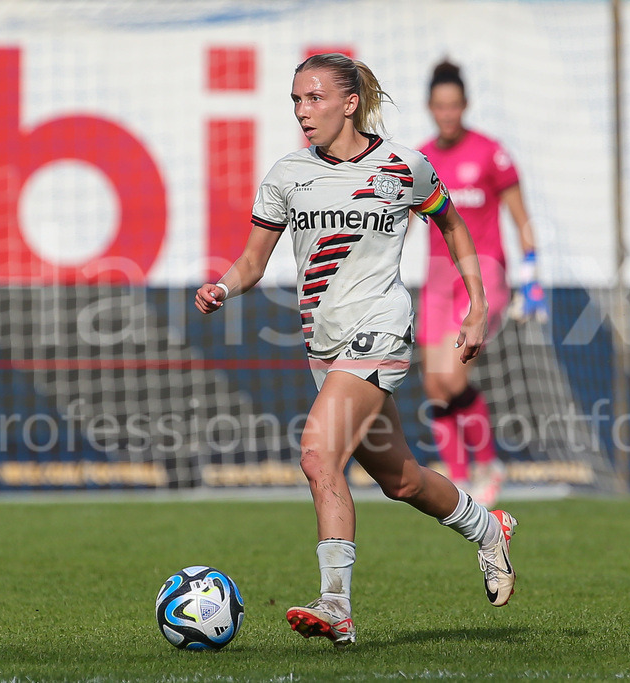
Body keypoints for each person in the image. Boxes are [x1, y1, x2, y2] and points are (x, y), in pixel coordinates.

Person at [195, 53, 518, 648]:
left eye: (314, 98)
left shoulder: (403, 166)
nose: (302, 110)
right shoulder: (287, 174)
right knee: (403, 482)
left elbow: (451, 224)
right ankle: (487, 527)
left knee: (318, 456)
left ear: (350, 103)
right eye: (295, 100)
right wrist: (223, 285)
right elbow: (252, 261)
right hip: (325, 345)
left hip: (382, 330)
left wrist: (476, 305)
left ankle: (336, 606)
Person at [418, 60, 547, 506]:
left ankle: (488, 463)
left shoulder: (491, 153)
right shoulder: (420, 159)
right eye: (440, 106)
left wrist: (531, 275)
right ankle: (458, 481)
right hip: (436, 276)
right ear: (430, 108)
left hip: (483, 273)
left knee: (452, 377)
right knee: (433, 384)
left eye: (454, 106)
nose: (447, 114)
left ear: (465, 106)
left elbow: (521, 218)